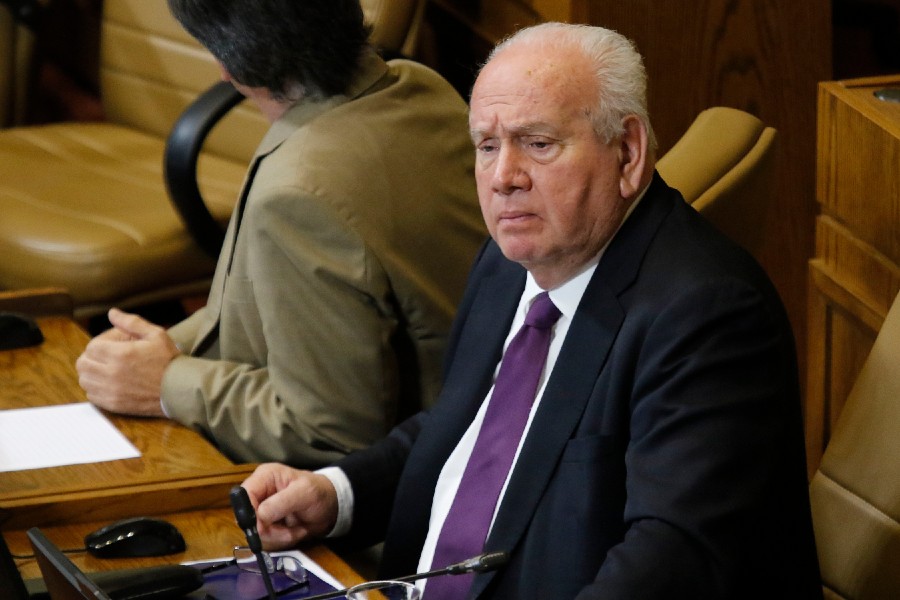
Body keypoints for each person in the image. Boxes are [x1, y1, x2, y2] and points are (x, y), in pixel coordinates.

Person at [238, 22, 823, 598]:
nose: (503, 178)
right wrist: (336, 494)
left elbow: (670, 563)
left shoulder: (708, 316)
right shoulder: (508, 261)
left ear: (628, 152)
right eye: (487, 146)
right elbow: (465, 430)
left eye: (538, 144)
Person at [75, 0, 486, 466]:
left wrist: (166, 384)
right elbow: (284, 313)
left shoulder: (297, 194)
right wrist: (163, 351)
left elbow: (330, 431)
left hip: (409, 483)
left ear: (226, 63)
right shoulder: (422, 86)